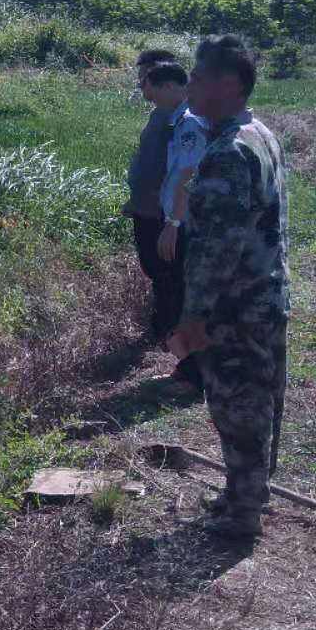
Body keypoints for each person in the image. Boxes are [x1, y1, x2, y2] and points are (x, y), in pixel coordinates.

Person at [167, 35, 290, 542]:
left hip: (236, 308)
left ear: (230, 83)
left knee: (240, 407)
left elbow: (216, 250)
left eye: (198, 76)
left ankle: (242, 513)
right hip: (264, 297)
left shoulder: (229, 152)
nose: (189, 85)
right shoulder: (259, 133)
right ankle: (248, 494)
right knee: (261, 400)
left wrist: (193, 316)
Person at [144, 61, 210, 386]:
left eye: (152, 88)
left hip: (185, 224)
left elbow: (189, 173)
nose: (148, 95)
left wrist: (172, 222)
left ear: (171, 86)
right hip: (183, 221)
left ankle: (196, 371)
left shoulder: (189, 122)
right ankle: (190, 367)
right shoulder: (181, 120)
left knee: (184, 296)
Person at [123, 48, 186, 348]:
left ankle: (169, 336)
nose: (141, 85)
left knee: (166, 272)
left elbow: (181, 170)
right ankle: (166, 332)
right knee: (159, 272)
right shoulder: (161, 113)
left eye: (145, 79)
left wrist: (170, 217)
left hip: (160, 210)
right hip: (148, 206)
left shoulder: (181, 118)